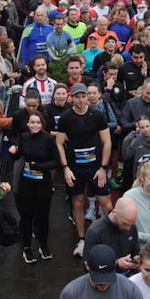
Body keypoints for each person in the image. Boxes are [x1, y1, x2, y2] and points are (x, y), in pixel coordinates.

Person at [59, 81, 116, 257]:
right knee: (77, 203)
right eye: (78, 96)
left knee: (106, 203)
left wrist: (103, 168)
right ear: (72, 98)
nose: (82, 100)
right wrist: (66, 168)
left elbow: (107, 142)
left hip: (95, 167)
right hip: (75, 168)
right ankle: (82, 239)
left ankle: (112, 236)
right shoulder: (66, 117)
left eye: (84, 96)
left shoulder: (97, 115)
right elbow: (59, 143)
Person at [7, 110, 59, 263]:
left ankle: (43, 245)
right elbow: (18, 156)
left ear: (42, 124)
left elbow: (55, 162)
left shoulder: (48, 140)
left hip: (43, 183)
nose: (35, 125)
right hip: (26, 183)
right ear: (28, 124)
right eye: (32, 122)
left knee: (43, 217)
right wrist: (13, 152)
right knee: (26, 217)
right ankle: (27, 248)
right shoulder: (23, 137)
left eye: (38, 122)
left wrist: (39, 167)